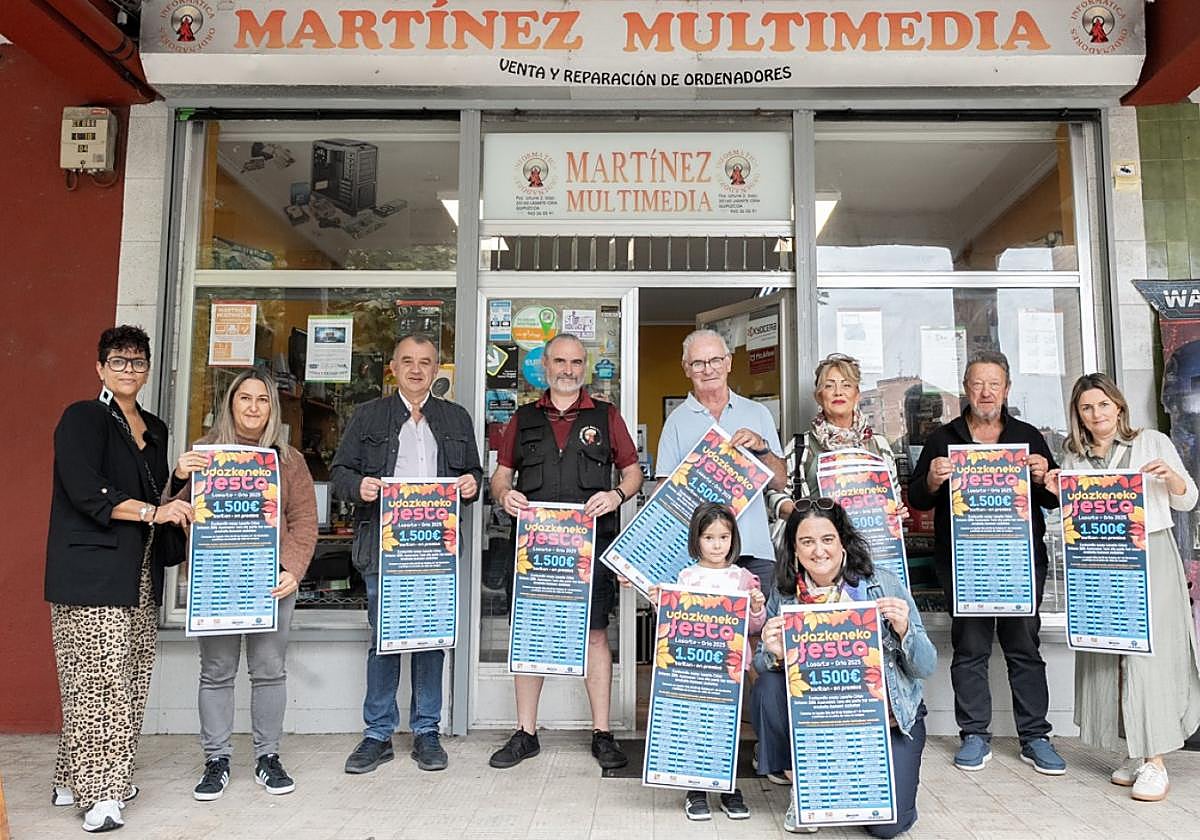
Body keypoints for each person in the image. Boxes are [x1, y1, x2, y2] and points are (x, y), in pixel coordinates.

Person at [45, 325, 192, 833]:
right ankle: (103, 794)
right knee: (97, 682)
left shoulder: (154, 426)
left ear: (148, 369)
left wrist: (181, 479)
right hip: (90, 571)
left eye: (137, 361)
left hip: (139, 571)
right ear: (100, 367)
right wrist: (156, 513)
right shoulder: (83, 418)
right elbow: (89, 492)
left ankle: (72, 775)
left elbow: (158, 496)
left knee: (127, 679)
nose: (129, 369)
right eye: (119, 360)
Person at [488, 332, 643, 770]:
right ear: (545, 366)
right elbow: (501, 476)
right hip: (535, 551)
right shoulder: (521, 419)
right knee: (531, 633)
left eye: (576, 362)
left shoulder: (606, 415)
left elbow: (632, 472)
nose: (568, 370)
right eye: (560, 361)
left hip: (589, 548)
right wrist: (505, 496)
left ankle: (602, 733)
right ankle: (526, 733)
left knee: (595, 634)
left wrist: (615, 496)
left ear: (585, 368)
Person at [907, 350, 1065, 775]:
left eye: (994, 384)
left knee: (1024, 648)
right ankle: (974, 734)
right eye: (978, 383)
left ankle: (1036, 737)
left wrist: (1043, 476)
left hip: (1020, 560)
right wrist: (933, 480)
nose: (986, 392)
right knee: (970, 648)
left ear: (1007, 389)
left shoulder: (1028, 435)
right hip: (964, 561)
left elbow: (1055, 497)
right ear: (966, 389)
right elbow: (916, 497)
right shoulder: (944, 438)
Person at [1044, 373, 1200, 802]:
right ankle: (1135, 748)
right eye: (1087, 408)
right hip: (1100, 561)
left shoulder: (1151, 441)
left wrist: (1170, 477)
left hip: (1150, 555)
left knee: (1149, 657)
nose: (1097, 415)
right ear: (1078, 415)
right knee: (1111, 653)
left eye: (1103, 405)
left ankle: (1156, 760)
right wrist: (1057, 491)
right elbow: (1076, 515)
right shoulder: (1073, 456)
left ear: (1119, 406)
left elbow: (1188, 500)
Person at [332, 334, 483, 775]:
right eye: (408, 362)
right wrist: (356, 486)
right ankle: (377, 734)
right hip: (385, 546)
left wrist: (472, 484)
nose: (417, 370)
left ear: (437, 370)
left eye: (426, 362)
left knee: (431, 639)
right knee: (385, 640)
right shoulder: (369, 416)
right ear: (393, 368)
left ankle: (426, 731)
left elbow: (472, 471)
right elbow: (340, 471)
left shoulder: (455, 418)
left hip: (436, 547)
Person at [169, 369, 318, 801]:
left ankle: (267, 757)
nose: (253, 407)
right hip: (218, 580)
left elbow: (305, 520)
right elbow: (172, 512)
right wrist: (180, 476)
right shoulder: (204, 454)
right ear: (230, 404)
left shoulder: (288, 460)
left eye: (263, 400)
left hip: (272, 583)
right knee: (216, 673)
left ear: (273, 407)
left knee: (269, 672)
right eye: (245, 398)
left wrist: (293, 568)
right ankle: (216, 760)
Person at [752, 500, 935, 836]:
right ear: (794, 550)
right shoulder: (785, 593)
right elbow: (762, 663)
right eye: (806, 542)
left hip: (887, 720)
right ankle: (802, 787)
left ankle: (847, 778)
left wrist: (905, 630)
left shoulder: (882, 583)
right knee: (767, 687)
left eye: (827, 539)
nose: (818, 550)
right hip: (819, 717)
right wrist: (773, 652)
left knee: (887, 827)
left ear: (843, 542)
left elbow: (926, 666)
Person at [658, 329, 787, 587]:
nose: (708, 370)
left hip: (754, 549)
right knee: (707, 626)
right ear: (686, 369)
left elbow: (780, 482)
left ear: (728, 363)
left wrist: (761, 448)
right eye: (698, 363)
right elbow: (664, 493)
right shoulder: (676, 421)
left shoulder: (757, 413)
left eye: (715, 360)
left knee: (758, 626)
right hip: (701, 556)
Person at [662, 502, 765, 822]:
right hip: (695, 669)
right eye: (709, 537)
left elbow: (754, 628)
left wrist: (758, 608)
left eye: (724, 537)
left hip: (730, 670)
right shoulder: (687, 576)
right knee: (696, 726)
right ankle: (696, 789)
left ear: (734, 539)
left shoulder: (743, 578)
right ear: (697, 539)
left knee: (729, 729)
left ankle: (728, 785)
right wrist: (660, 604)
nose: (717, 544)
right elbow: (675, 623)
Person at [766, 353, 907, 541]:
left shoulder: (878, 445)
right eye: (829, 385)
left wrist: (896, 511)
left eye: (846, 385)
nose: (838, 392)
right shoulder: (801, 446)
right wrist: (797, 515)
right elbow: (775, 493)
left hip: (872, 549)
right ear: (818, 396)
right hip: (817, 552)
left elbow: (894, 496)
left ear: (857, 395)